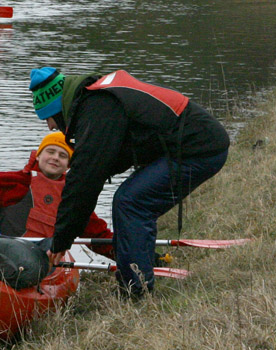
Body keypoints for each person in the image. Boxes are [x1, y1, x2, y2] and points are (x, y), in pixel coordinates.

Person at [28, 66, 229, 297]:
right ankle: (141, 270)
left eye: (49, 118)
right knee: (130, 200)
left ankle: (135, 290)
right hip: (190, 144)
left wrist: (61, 241)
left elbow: (84, 182)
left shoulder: (98, 107)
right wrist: (88, 168)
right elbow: (106, 160)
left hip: (199, 147)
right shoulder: (96, 97)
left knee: (131, 203)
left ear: (58, 108)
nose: (51, 127)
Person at [0, 131, 114, 258]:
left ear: (68, 165)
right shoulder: (5, 181)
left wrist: (124, 252)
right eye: (50, 151)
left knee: (49, 246)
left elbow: (97, 235)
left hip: (39, 258)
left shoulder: (74, 196)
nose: (55, 157)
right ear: (38, 155)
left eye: (63, 155)